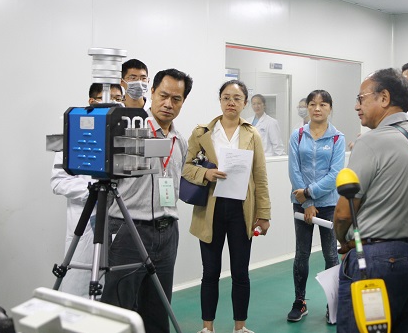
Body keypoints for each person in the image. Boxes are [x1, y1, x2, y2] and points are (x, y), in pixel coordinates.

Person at [334, 68, 408, 333]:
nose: (357, 106)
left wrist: (342, 239)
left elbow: (344, 213)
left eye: (361, 98)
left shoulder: (370, 143)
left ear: (384, 98)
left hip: (379, 260)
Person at [100, 69, 192, 333]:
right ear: (151, 93)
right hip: (129, 230)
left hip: (167, 232)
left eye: (176, 99)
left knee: (157, 310)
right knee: (119, 309)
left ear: (183, 102)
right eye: (163, 96)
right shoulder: (130, 131)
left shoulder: (179, 141)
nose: (168, 104)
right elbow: (108, 184)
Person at [184, 80, 271, 333]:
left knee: (240, 272)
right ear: (220, 100)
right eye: (226, 97)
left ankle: (239, 327)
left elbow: (260, 176)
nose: (231, 102)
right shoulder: (202, 133)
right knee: (210, 272)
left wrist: (264, 214)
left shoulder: (252, 134)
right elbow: (186, 167)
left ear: (245, 103)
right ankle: (207, 327)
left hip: (241, 211)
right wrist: (205, 174)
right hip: (209, 209)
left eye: (236, 98)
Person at [50, 83, 122, 297]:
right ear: (92, 102)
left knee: (117, 290)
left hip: (119, 221)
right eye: (108, 97)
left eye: (119, 99)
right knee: (81, 289)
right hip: (86, 221)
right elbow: (58, 181)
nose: (114, 103)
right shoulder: (73, 132)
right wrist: (93, 192)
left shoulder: (124, 135)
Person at [287, 90, 345, 323]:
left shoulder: (337, 138)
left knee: (331, 255)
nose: (317, 108)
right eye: (312, 104)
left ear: (330, 108)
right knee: (301, 253)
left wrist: (310, 193)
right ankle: (299, 302)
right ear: (308, 107)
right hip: (301, 204)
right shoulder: (298, 135)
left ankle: (334, 304)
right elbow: (294, 170)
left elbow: (335, 174)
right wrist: (307, 202)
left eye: (323, 104)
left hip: (329, 204)